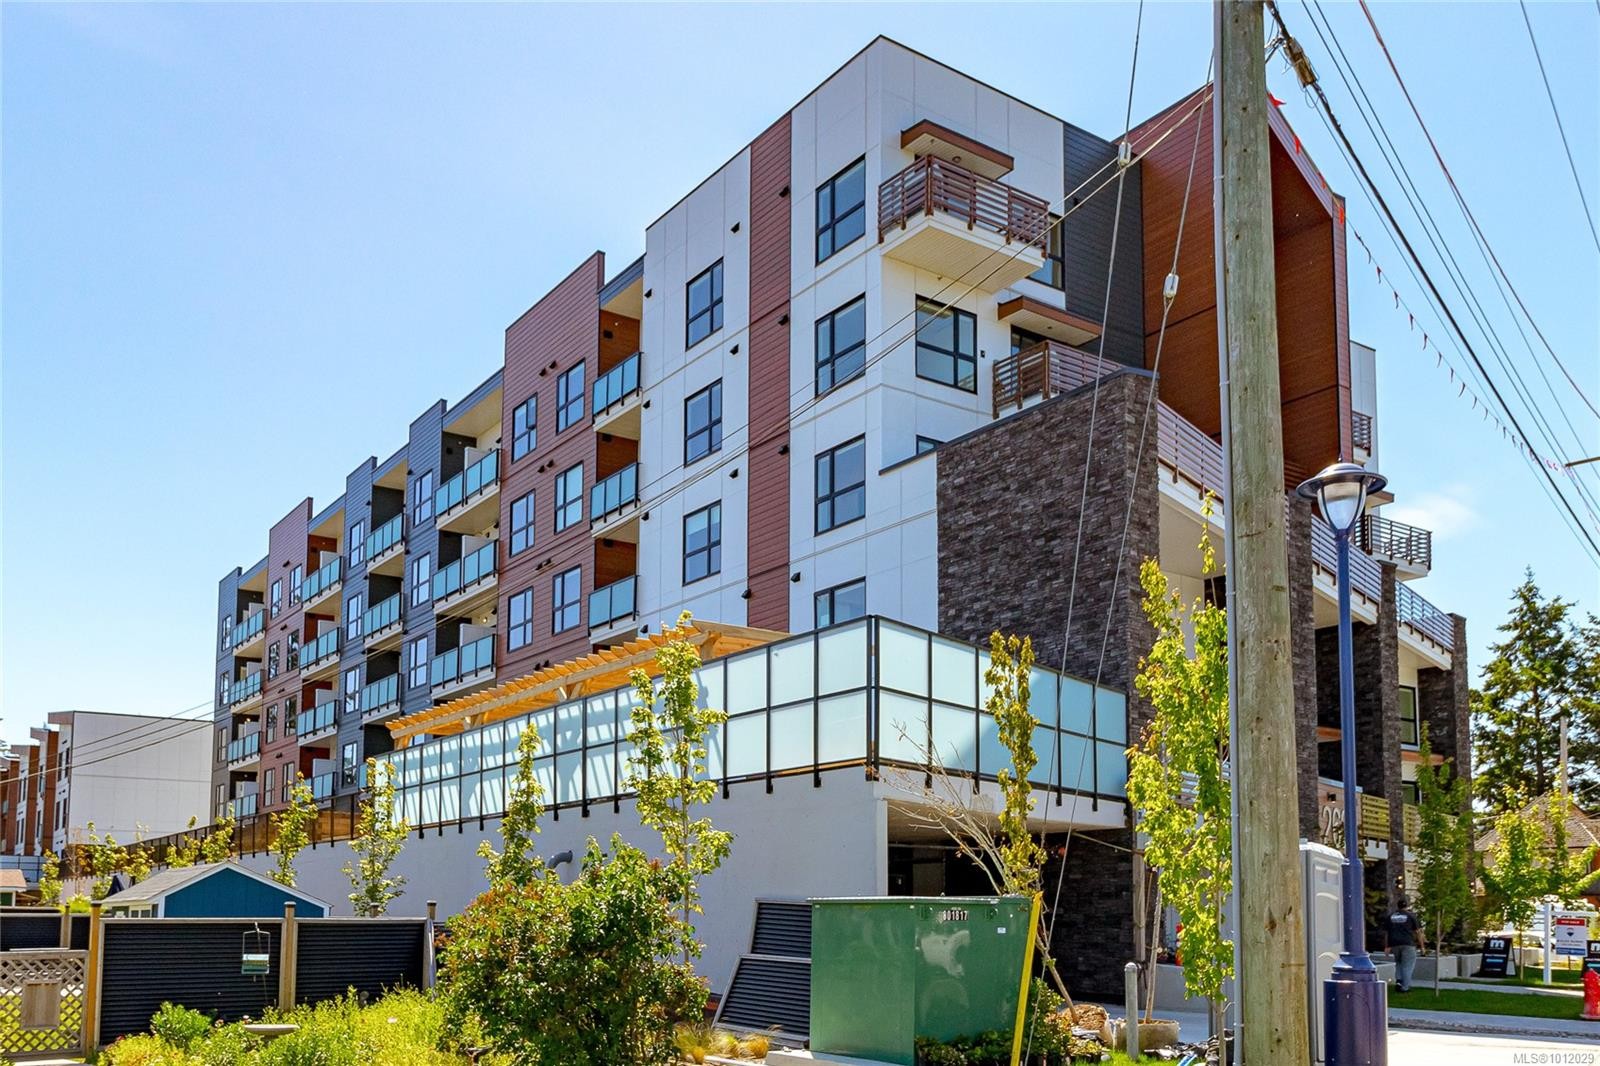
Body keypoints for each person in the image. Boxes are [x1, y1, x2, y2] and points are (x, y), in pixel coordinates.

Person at [1386, 895, 1425, 993]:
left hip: (1394, 943)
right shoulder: (1411, 916)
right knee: (1408, 965)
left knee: (1398, 963)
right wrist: (1422, 947)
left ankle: (1399, 981)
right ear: (1407, 906)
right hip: (1408, 943)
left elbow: (1386, 932)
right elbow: (1418, 932)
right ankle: (1405, 987)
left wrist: (1387, 946)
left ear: (1397, 906)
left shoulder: (1391, 916)